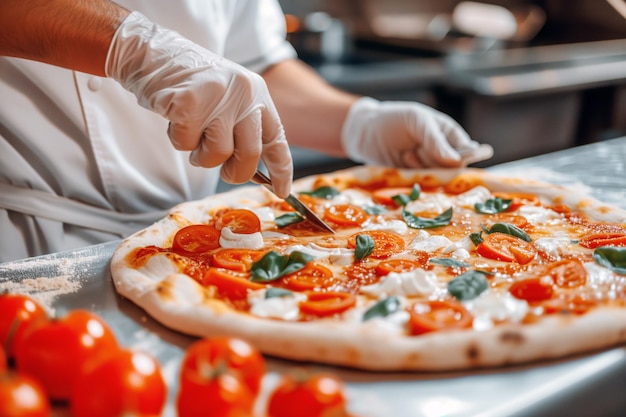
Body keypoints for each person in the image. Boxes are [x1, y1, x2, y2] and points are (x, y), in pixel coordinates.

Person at [0, 0, 493, 262]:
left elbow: (256, 67)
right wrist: (131, 45)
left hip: (189, 243)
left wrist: (359, 121)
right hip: (22, 239)